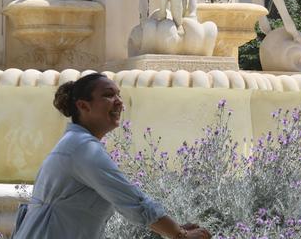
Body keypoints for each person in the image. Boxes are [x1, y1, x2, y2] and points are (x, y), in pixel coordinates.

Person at [12, 73, 211, 239]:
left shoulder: (76, 143)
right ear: (83, 106)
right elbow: (133, 201)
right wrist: (180, 235)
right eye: (108, 95)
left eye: (118, 95)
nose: (119, 102)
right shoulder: (81, 148)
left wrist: (176, 230)